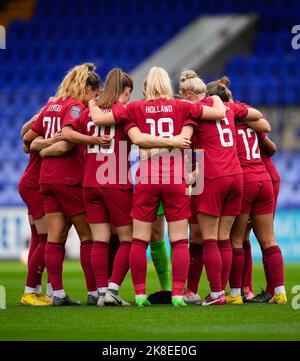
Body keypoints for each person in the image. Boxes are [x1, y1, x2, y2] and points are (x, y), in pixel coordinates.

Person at [89, 66, 226, 307]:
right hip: (175, 178)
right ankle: (176, 295)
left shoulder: (133, 108)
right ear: (167, 85)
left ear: (146, 86)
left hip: (146, 179)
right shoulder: (183, 106)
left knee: (139, 240)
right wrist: (215, 96)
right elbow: (218, 113)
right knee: (179, 241)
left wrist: (91, 104)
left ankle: (140, 295)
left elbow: (102, 120)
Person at [180, 70, 266, 306]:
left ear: (189, 95)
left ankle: (216, 293)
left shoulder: (194, 112)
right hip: (235, 176)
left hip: (212, 176)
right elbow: (259, 115)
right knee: (224, 239)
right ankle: (230, 292)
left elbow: (186, 146)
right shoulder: (228, 108)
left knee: (207, 239)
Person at [23, 63, 103, 306]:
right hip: (68, 178)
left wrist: (46, 146)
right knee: (87, 235)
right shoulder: (76, 108)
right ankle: (93, 292)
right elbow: (68, 134)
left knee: (54, 237)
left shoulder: (51, 105)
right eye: (95, 94)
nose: (95, 99)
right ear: (87, 89)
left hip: (45, 179)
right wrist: (93, 138)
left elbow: (27, 139)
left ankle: (56, 293)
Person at [207, 77, 287, 305]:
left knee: (237, 240)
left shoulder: (222, 119)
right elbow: (269, 144)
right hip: (263, 178)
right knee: (269, 240)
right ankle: (280, 292)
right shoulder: (246, 114)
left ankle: (235, 294)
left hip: (243, 180)